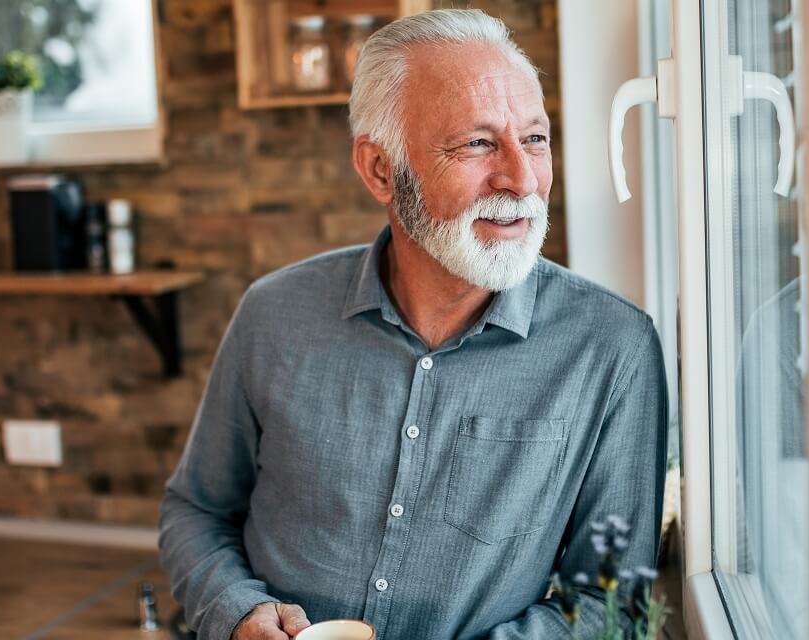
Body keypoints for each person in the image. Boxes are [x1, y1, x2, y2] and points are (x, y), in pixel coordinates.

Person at [159, 9, 668, 640]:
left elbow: (610, 600)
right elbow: (197, 510)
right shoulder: (272, 313)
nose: (522, 179)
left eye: (535, 139)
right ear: (379, 170)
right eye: (477, 143)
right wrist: (236, 612)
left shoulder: (613, 348)